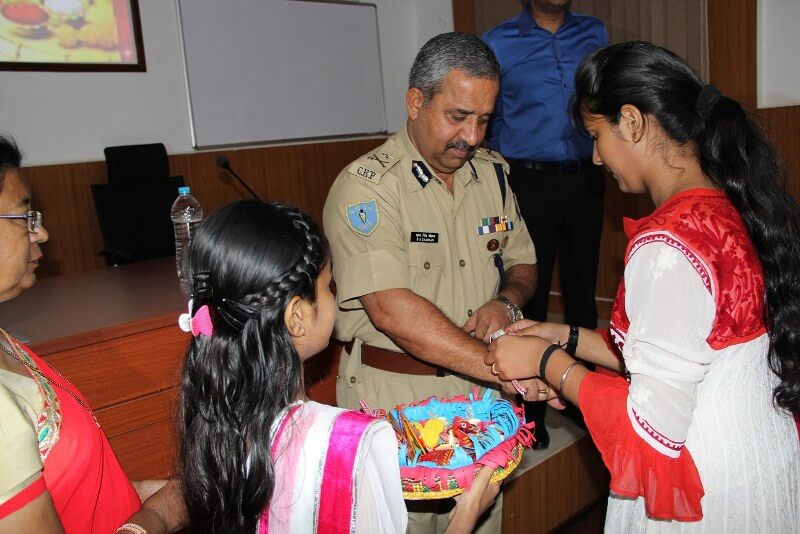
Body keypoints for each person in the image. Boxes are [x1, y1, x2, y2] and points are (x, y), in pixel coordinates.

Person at [485, 41, 800, 530]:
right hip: (756, 458)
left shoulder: (667, 245)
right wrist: (561, 336)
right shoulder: (729, 206)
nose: (594, 158)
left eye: (595, 135)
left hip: (705, 484)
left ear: (631, 122)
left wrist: (546, 364)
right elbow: (684, 354)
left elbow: (650, 432)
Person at [174, 199, 500, 534]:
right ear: (298, 317)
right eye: (328, 285)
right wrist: (466, 515)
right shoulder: (347, 444)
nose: (336, 296)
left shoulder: (212, 411)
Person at [323, 32, 539, 533]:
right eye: (457, 116)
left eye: (485, 119)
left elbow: (524, 263)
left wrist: (506, 302)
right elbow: (391, 310)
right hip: (395, 402)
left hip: (481, 403)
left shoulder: (492, 175)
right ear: (415, 102)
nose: (473, 136)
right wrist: (499, 366)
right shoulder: (368, 188)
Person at [0, 135, 185, 533]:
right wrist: (154, 519)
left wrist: (174, 495)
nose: (42, 234)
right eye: (25, 218)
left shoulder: (6, 342)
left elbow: (76, 494)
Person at [482, 0, 608, 447]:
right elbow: (491, 119)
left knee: (581, 299)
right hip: (527, 183)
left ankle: (585, 404)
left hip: (585, 180)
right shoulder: (499, 42)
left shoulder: (594, 33)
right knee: (529, 299)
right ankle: (527, 414)